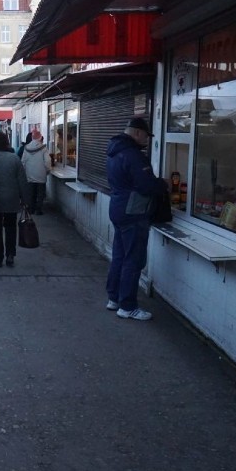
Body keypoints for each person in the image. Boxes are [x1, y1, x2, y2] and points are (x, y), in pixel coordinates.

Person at [105, 117, 168, 321]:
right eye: (146, 136)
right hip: (134, 212)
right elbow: (146, 186)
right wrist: (163, 184)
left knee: (120, 257)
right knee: (134, 259)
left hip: (118, 208)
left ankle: (114, 298)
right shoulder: (134, 155)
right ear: (138, 133)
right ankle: (128, 306)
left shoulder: (114, 151)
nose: (147, 141)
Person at [0, 131, 30, 268]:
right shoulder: (14, 158)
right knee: (11, 228)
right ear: (7, 143)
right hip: (11, 199)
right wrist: (25, 199)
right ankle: (10, 255)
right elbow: (22, 181)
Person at [20, 129, 51, 215]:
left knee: (31, 193)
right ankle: (39, 209)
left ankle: (31, 209)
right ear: (40, 137)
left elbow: (23, 162)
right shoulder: (43, 148)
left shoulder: (26, 148)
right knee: (40, 193)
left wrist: (25, 172)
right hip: (41, 174)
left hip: (29, 175)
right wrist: (47, 170)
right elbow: (47, 161)